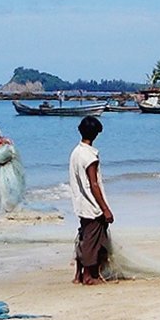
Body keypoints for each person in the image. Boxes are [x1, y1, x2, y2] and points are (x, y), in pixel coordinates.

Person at [68, 116, 113, 285]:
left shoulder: (76, 152)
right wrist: (105, 208)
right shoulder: (89, 156)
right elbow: (94, 184)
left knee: (84, 237)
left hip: (82, 203)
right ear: (95, 134)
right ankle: (88, 276)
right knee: (91, 242)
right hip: (92, 205)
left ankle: (79, 274)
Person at [0, 127, 25, 214]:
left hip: (9, 167)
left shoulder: (6, 141)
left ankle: (11, 206)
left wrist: (4, 156)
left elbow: (13, 153)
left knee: (10, 187)